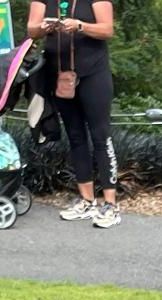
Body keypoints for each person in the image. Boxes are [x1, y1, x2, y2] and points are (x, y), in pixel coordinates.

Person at [28, 0, 121, 229]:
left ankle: (110, 203)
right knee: (76, 137)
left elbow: (107, 29)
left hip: (92, 74)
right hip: (60, 76)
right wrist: (46, 28)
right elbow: (31, 29)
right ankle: (87, 199)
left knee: (100, 136)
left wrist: (80, 26)